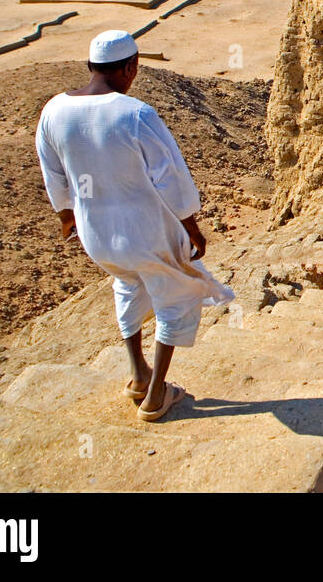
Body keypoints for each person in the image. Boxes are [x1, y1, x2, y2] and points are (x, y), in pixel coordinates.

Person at [35, 29, 233, 421]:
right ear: (129, 68)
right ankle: (157, 394)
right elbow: (170, 176)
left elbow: (53, 173)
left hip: (97, 237)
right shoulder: (135, 113)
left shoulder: (53, 110)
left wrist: (66, 218)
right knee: (175, 294)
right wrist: (191, 227)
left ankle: (138, 373)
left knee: (127, 287)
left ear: (91, 66)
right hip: (147, 231)